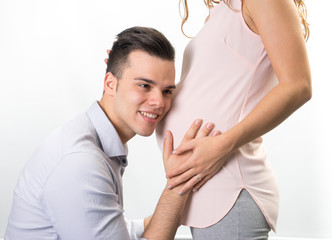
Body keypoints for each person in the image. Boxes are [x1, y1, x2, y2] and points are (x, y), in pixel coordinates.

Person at [5, 26, 217, 240]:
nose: (159, 102)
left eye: (167, 91)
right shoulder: (80, 163)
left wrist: (184, 208)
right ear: (110, 84)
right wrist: (179, 181)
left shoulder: (95, 142)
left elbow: (115, 230)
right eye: (144, 85)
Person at [156, 0, 312, 239]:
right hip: (209, 191)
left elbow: (298, 85)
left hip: (231, 188)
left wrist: (222, 144)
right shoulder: (223, 10)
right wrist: (128, 72)